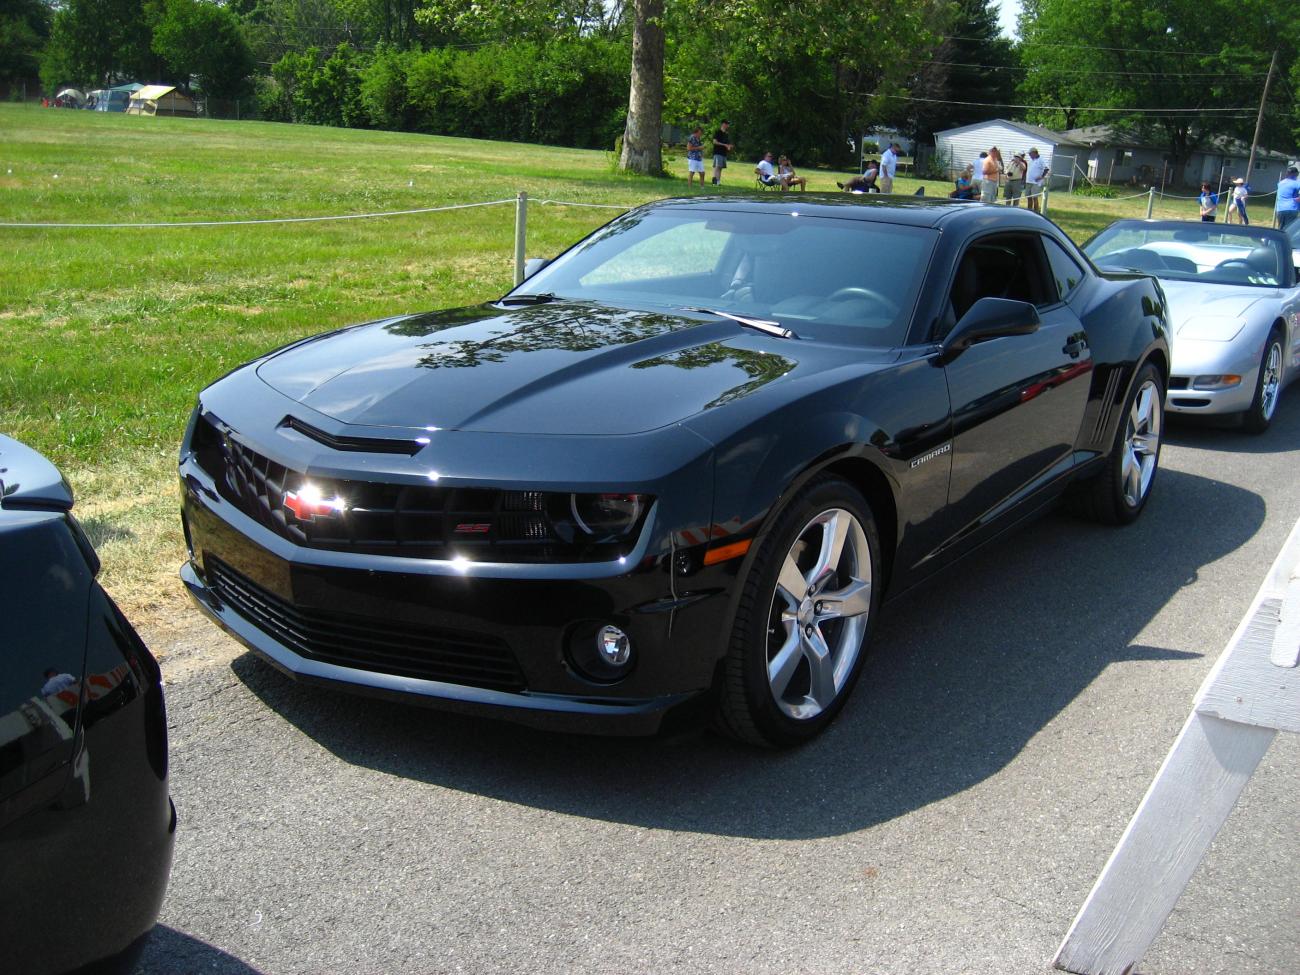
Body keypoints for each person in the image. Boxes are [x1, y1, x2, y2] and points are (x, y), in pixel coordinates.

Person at [1275, 166, 1300, 231]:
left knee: (1280, 229)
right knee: (1289, 230)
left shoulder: (1280, 183)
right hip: (1291, 208)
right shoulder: (1296, 183)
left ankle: (1276, 240)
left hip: (1280, 209)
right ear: (1295, 174)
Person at [1025, 147, 1049, 213]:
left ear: (1034, 153)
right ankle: (1029, 211)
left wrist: (1041, 177)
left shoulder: (1041, 160)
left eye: (1030, 154)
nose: (1029, 155)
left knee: (1035, 198)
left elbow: (1046, 169)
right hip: (1028, 181)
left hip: (1036, 183)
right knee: (1028, 197)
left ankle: (1036, 212)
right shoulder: (1031, 160)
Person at [711, 120, 734, 186]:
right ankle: (714, 182)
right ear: (723, 124)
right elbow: (715, 142)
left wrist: (729, 146)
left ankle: (718, 182)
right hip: (717, 152)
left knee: (720, 168)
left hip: (724, 153)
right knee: (717, 167)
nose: (728, 126)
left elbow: (728, 144)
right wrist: (724, 145)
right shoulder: (717, 132)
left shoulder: (726, 134)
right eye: (727, 124)